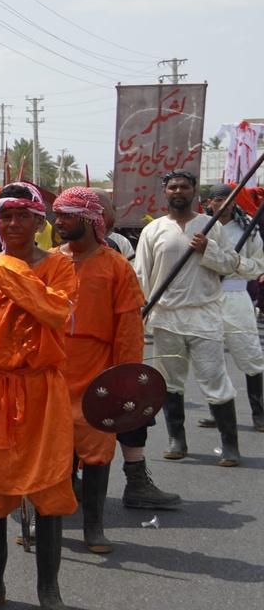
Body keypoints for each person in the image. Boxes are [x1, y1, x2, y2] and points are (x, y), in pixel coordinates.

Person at [0, 182, 76, 610]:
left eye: (22, 216)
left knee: (48, 490)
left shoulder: (58, 267)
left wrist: (5, 271)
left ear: (39, 221)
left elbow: (56, 312)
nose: (12, 224)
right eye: (5, 216)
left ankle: (50, 589)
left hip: (42, 389)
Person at [52, 187, 149, 554]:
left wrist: (126, 381)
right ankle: (48, 524)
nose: (58, 222)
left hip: (96, 377)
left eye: (67, 215)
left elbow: (128, 331)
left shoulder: (116, 266)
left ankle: (94, 527)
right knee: (50, 454)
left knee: (96, 454)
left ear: (91, 220)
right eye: (57, 214)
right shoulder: (47, 262)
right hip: (51, 375)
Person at [133, 170, 242, 467]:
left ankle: (230, 445)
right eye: (172, 187)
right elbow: (141, 275)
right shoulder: (153, 230)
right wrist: (137, 317)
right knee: (170, 381)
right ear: (165, 192)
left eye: (184, 186)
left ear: (194, 191)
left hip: (204, 314)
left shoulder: (211, 227)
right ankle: (177, 440)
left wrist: (208, 249)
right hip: (166, 316)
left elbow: (231, 263)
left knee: (215, 379)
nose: (178, 191)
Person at [85, 189, 182, 511]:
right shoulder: (57, 257)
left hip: (113, 347)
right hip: (74, 357)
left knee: (128, 408)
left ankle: (137, 482)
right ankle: (66, 483)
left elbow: (129, 296)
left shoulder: (117, 251)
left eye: (103, 209)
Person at [199, 184, 264, 431]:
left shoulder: (248, 228)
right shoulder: (199, 227)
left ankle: (258, 413)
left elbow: (257, 266)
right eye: (217, 199)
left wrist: (231, 263)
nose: (222, 203)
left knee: (249, 355)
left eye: (227, 198)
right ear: (209, 202)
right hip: (205, 297)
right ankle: (218, 412)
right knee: (210, 359)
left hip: (235, 296)